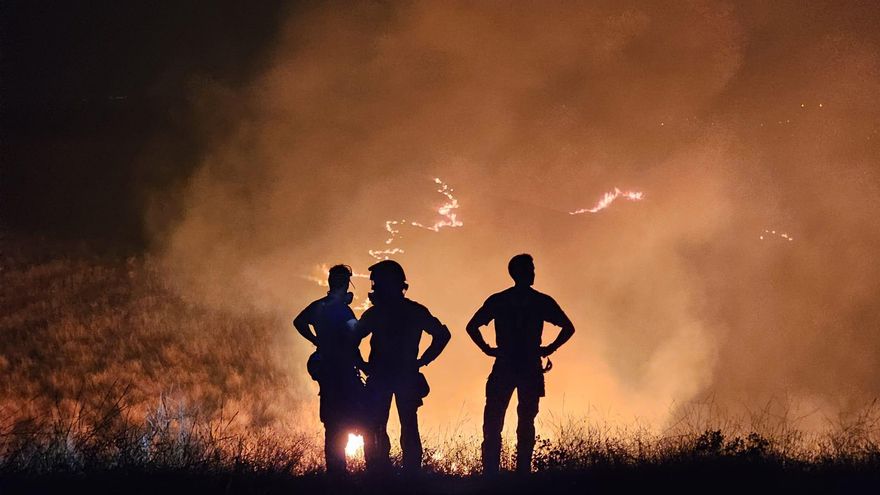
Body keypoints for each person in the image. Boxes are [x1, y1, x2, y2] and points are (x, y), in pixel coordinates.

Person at [466, 254, 575, 474]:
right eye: (530, 269)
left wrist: (488, 349)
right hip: (528, 367)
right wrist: (548, 349)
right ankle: (520, 472)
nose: (533, 273)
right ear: (521, 272)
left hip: (507, 365)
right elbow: (568, 327)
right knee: (523, 421)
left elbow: (472, 326)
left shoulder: (500, 300)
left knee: (495, 421)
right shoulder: (540, 301)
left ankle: (491, 474)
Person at [356, 259, 451, 473]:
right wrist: (423, 361)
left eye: (376, 283)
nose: (374, 288)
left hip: (381, 377)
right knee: (407, 426)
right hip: (405, 376)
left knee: (377, 426)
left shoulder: (376, 313)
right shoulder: (415, 310)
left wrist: (362, 364)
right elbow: (442, 335)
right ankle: (410, 475)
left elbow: (351, 340)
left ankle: (379, 474)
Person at [293, 264, 363, 475]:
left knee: (332, 423)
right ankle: (340, 473)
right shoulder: (342, 309)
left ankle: (335, 472)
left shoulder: (319, 306)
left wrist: (316, 339)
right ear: (344, 284)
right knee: (348, 419)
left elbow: (299, 322)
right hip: (342, 370)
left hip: (326, 369)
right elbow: (356, 334)